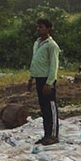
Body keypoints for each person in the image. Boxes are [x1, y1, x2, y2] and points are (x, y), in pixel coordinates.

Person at [27, 18, 60, 146]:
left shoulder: (52, 46)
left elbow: (54, 66)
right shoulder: (37, 43)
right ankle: (46, 135)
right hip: (39, 79)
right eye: (38, 27)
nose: (38, 29)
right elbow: (34, 61)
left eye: (41, 27)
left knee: (51, 108)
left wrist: (49, 83)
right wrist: (31, 78)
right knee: (44, 108)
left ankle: (53, 135)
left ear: (48, 29)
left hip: (47, 80)